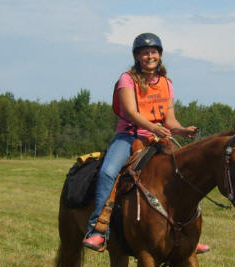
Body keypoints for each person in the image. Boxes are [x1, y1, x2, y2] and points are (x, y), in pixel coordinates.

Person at [82, 32, 210, 254]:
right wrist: (153, 127)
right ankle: (98, 229)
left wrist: (181, 129)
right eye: (145, 52)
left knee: (184, 173)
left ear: (159, 56)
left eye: (154, 52)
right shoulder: (127, 80)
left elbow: (169, 120)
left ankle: (187, 233)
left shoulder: (166, 84)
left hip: (158, 137)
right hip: (129, 137)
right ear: (137, 56)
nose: (150, 56)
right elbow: (130, 113)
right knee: (108, 172)